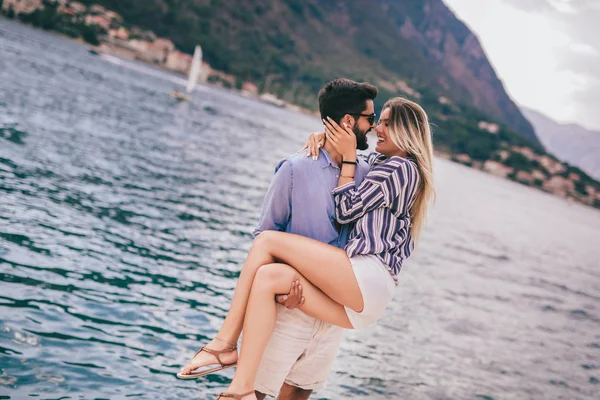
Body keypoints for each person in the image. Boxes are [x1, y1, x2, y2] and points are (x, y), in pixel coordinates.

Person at [181, 96, 435, 400]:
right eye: (378, 120)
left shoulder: (400, 168)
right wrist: (327, 142)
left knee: (267, 241)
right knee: (269, 278)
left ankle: (223, 344)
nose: (378, 127)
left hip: (367, 276)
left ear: (407, 131)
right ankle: (241, 390)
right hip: (360, 297)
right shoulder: (384, 165)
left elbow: (345, 209)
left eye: (387, 123)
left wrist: (349, 158)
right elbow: (355, 165)